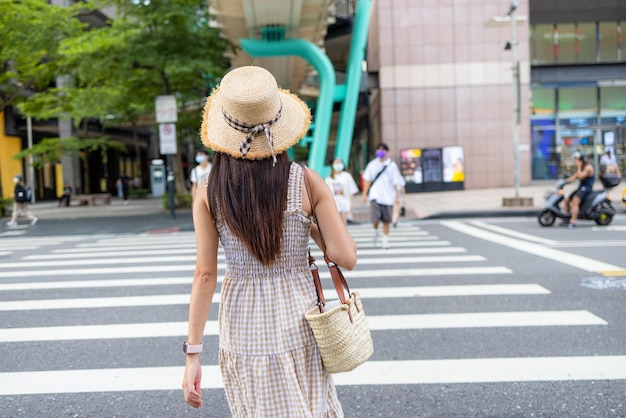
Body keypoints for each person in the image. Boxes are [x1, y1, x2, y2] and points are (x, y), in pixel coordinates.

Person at [182, 66, 356, 416]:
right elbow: (345, 256)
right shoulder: (306, 181)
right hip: (299, 316)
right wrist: (306, 224)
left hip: (243, 322)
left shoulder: (208, 190)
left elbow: (204, 275)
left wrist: (193, 354)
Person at [361, 143, 404, 248]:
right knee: (375, 219)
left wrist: (397, 197)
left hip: (388, 197)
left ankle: (385, 241)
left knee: (386, 221)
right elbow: (367, 180)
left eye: (383, 150)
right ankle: (375, 230)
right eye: (378, 150)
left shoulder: (392, 166)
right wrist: (364, 194)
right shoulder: (372, 164)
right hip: (375, 196)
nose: (380, 152)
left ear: (387, 152)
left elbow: (396, 183)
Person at [562, 151, 594, 228]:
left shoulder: (588, 168)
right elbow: (574, 176)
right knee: (567, 200)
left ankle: (573, 222)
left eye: (577, 160)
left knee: (575, 201)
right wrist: (564, 181)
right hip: (581, 187)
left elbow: (580, 176)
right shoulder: (582, 168)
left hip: (586, 188)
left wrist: (578, 167)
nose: (576, 161)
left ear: (582, 160)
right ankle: (567, 218)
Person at [324, 157, 359, 225]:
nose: (338, 164)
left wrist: (351, 204)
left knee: (343, 221)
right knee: (336, 222)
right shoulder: (329, 178)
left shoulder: (347, 176)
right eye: (336, 162)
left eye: (340, 162)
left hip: (344, 202)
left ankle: (344, 235)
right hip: (334, 203)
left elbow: (351, 191)